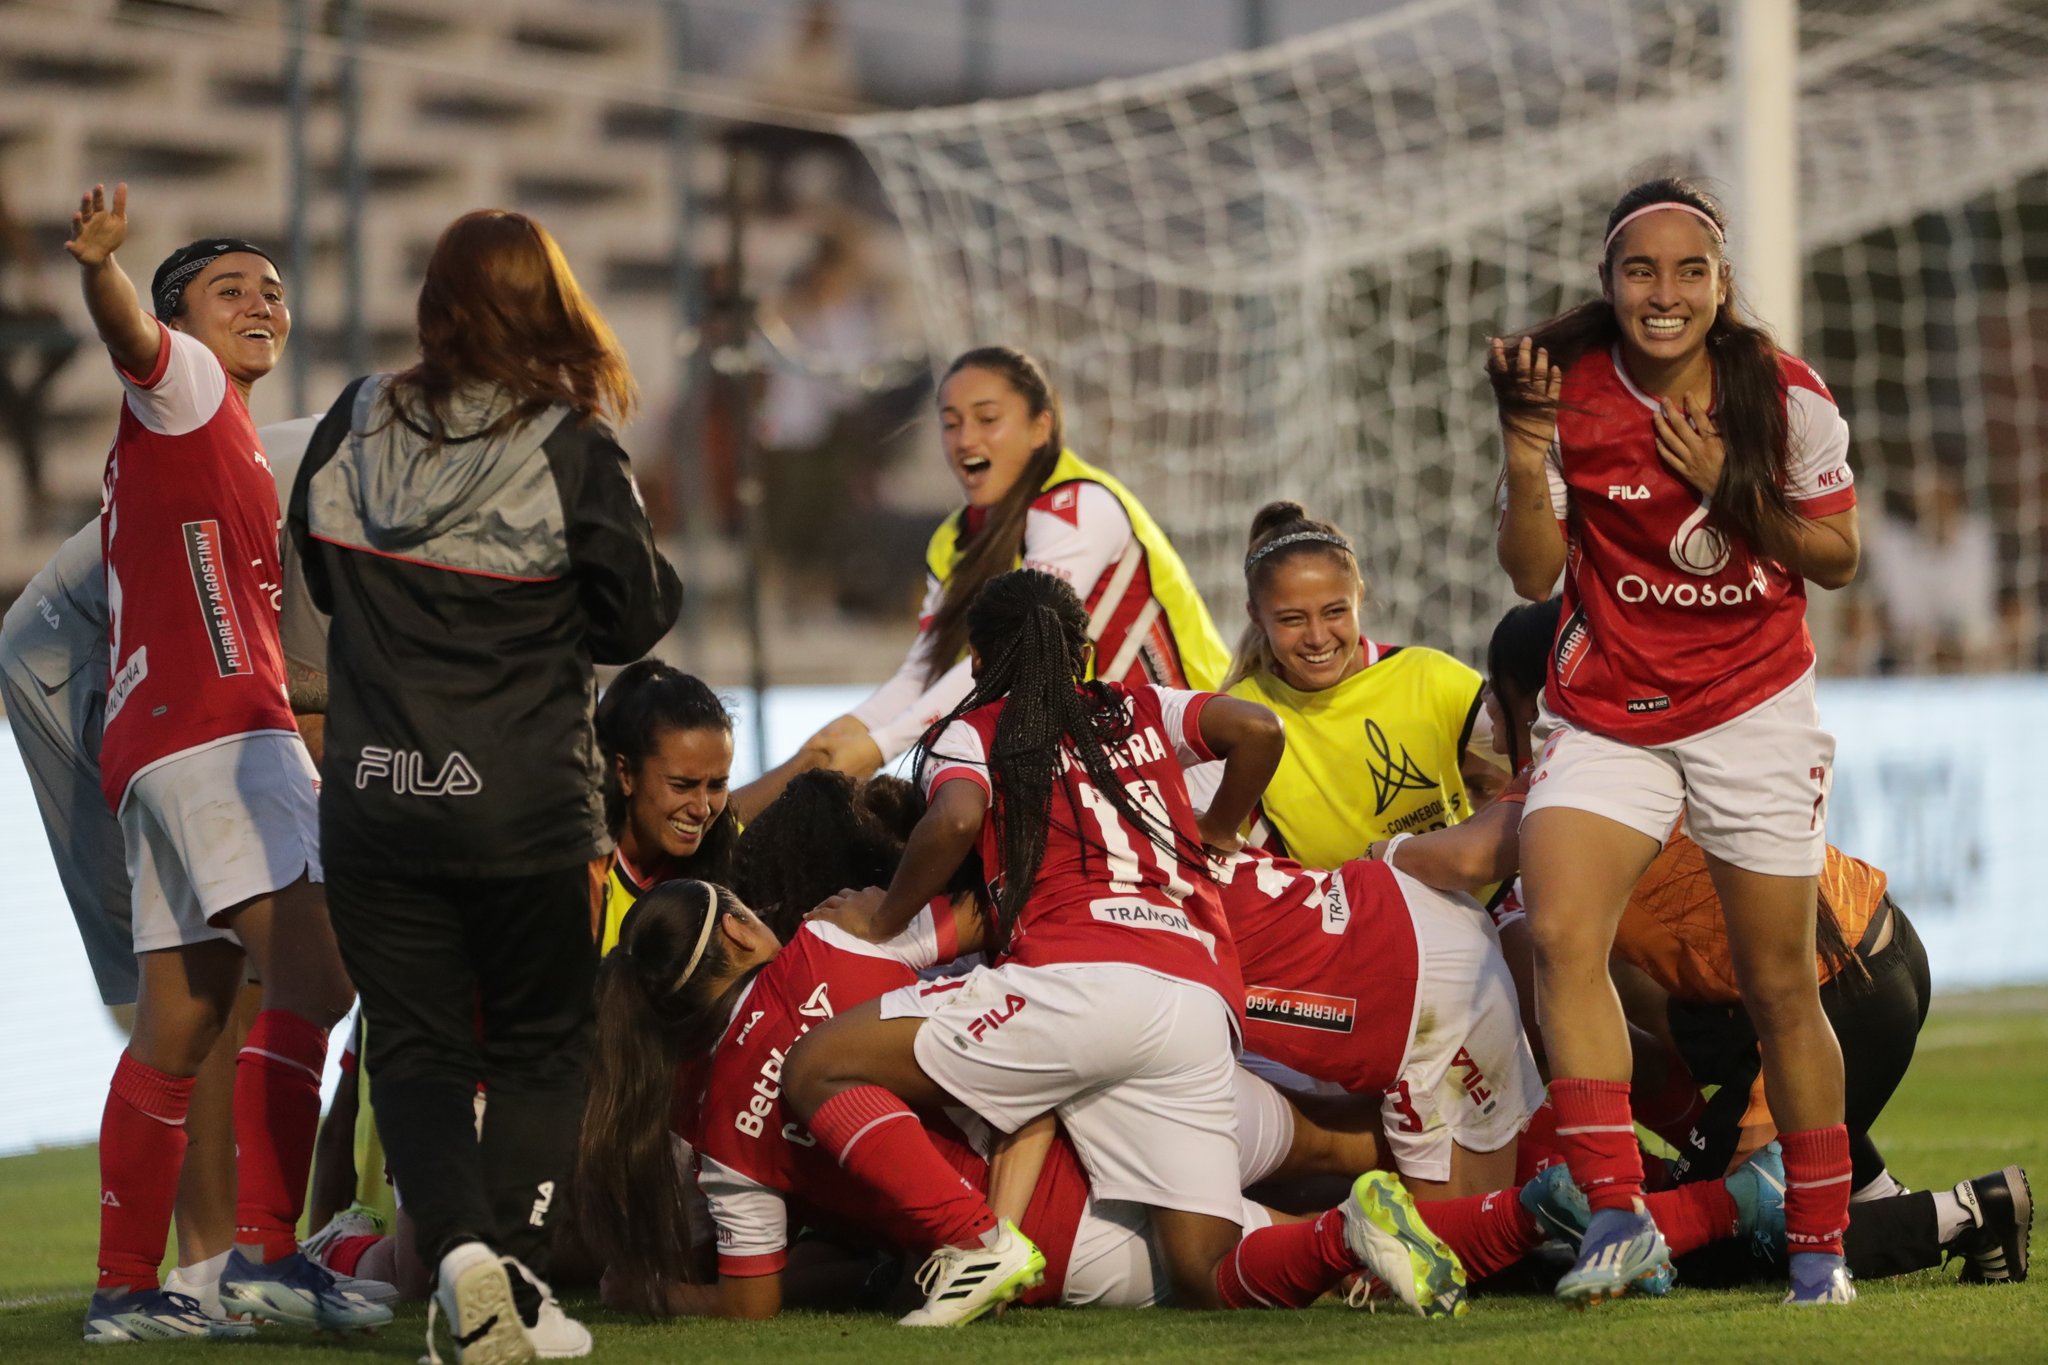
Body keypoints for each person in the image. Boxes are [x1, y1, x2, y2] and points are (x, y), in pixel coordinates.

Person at [779, 568, 1477, 1325]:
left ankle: (971, 1240)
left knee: (817, 1065)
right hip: (1195, 994)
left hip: (1078, 980)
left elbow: (951, 821)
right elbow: (1259, 728)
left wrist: (884, 921)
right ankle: (1348, 1232)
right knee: (1205, 1273)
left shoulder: (977, 729)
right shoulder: (1141, 705)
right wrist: (1217, 831)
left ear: (978, 666)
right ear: (1083, 655)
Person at [290, 207, 682, 1363]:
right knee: (540, 1050)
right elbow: (637, 614)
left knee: (411, 1048)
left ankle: (458, 1259)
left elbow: (313, 567)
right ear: (549, 303)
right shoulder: (567, 446)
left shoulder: (351, 420)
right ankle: (505, 1274)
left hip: (372, 801)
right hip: (520, 813)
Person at [1396, 595, 2033, 1291]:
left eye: (1495, 694)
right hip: (1867, 956)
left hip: (1838, 992)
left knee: (1718, 1241)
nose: (1488, 715)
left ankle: (1965, 1213)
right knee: (1676, 1036)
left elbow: (1465, 857)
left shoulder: (1582, 777)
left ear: (1535, 695)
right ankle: (1874, 1190)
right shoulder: (1657, 740)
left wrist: (1354, 865)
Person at [1490, 175, 1863, 1307]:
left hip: (1751, 706)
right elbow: (1532, 575)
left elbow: (1837, 556)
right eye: (1638, 271)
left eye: (1686, 270)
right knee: (1555, 931)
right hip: (1610, 711)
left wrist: (1728, 489)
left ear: (1719, 283)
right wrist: (1520, 450)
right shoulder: (1561, 387)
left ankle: (1817, 1245)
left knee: (1774, 987)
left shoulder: (1779, 392)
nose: (1663, 293)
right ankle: (1615, 1215)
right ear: (1607, 285)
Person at [59, 183, 385, 1342]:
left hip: (150, 750)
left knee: (181, 1028)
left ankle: (121, 1290)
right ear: (182, 321)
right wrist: (105, 268)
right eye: (229, 289)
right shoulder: (186, 390)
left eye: (274, 290)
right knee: (323, 975)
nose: (262, 303)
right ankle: (266, 1255)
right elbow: (132, 338)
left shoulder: (209, 442)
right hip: (217, 743)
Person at [2, 415, 369, 1334]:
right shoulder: (338, 498)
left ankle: (177, 1275)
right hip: (79, 663)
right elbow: (305, 715)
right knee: (227, 974)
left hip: (172, 683)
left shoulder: (385, 477)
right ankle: (228, 1260)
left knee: (207, 978)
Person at [801, 346, 1230, 777]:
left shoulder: (1080, 506)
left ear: (1041, 427)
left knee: (952, 808)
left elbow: (1012, 654)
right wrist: (851, 729)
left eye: (987, 419)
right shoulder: (953, 540)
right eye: (951, 423)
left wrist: (881, 747)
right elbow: (924, 673)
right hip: (1103, 769)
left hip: (1195, 762)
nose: (966, 439)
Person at [1210, 502, 1493, 867]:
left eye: (1334, 612)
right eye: (1292, 619)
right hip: (1349, 921)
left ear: (1359, 595)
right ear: (1256, 617)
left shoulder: (1429, 676)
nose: (1316, 637)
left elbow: (1542, 752)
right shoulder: (1239, 716)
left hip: (1481, 904)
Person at [590, 661, 816, 953]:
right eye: (682, 785)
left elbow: (823, 754)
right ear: (625, 774)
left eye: (716, 785)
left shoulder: (722, 845)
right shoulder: (582, 877)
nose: (701, 809)